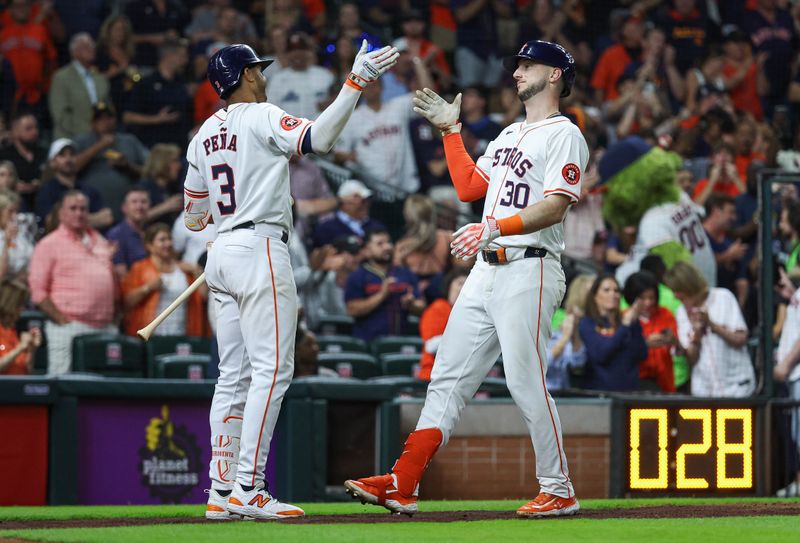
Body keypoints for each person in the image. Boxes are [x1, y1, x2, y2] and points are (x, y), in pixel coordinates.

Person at [345, 40, 588, 517]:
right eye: (516, 65)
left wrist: (496, 226)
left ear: (555, 74)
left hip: (531, 263)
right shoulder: (507, 134)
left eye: (527, 64)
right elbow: (470, 187)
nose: (517, 72)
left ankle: (558, 488)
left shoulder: (565, 133)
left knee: (525, 381)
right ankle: (402, 481)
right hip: (487, 267)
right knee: (446, 380)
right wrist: (451, 131)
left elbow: (557, 203)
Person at [183, 42, 398, 520]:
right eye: (257, 69)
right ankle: (249, 487)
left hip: (222, 252)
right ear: (245, 76)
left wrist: (229, 214)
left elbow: (195, 218)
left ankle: (221, 491)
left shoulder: (201, 136)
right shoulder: (260, 116)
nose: (263, 75)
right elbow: (319, 141)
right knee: (273, 371)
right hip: (259, 247)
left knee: (232, 377)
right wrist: (355, 82)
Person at [28, 191, 117, 375]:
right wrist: (61, 320)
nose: (79, 213)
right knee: (62, 382)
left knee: (105, 387)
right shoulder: (48, 244)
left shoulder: (100, 241)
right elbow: (38, 292)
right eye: (73, 208)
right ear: (61, 213)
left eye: (83, 209)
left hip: (104, 326)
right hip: (68, 326)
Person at [664, 261, 755, 397]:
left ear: (689, 286)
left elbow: (740, 339)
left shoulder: (723, 297)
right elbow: (692, 360)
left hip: (736, 387)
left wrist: (711, 325)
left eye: (678, 291)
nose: (675, 296)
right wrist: (696, 335)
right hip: (704, 391)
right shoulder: (681, 312)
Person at [121, 223, 206, 338]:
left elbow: (203, 297)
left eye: (170, 239)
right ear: (149, 246)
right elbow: (126, 302)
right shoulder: (139, 269)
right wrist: (147, 288)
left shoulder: (185, 270)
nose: (168, 243)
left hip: (181, 334)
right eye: (162, 240)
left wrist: (197, 271)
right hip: (150, 336)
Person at [344, 228, 425, 342]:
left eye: (388, 242)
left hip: (399, 342)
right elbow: (352, 309)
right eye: (380, 244)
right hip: (367, 343)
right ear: (367, 250)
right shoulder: (358, 276)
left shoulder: (405, 273)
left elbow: (422, 307)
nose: (387, 247)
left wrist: (411, 304)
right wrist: (382, 294)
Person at [73, 101, 149, 224]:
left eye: (109, 118)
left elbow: (150, 171)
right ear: (92, 123)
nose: (105, 123)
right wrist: (99, 146)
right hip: (93, 210)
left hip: (127, 209)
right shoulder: (82, 141)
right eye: (100, 119)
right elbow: (72, 166)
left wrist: (127, 166)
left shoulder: (129, 141)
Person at [579, 273, 648, 392]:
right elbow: (601, 354)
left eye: (616, 291)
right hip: (600, 396)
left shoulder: (627, 321)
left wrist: (635, 323)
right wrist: (624, 327)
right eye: (606, 290)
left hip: (630, 394)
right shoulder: (588, 323)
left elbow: (641, 354)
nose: (613, 294)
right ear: (595, 296)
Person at [623, 271, 678, 393]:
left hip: (665, 383)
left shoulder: (666, 314)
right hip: (636, 383)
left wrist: (673, 341)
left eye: (651, 298)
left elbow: (677, 348)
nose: (648, 303)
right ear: (632, 297)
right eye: (642, 298)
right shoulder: (624, 318)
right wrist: (645, 343)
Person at [48, 32, 111, 140]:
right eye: (86, 46)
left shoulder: (101, 79)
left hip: (101, 137)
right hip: (70, 138)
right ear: (74, 52)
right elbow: (60, 114)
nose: (92, 49)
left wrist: (106, 126)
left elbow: (109, 109)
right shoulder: (61, 77)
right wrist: (90, 130)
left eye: (92, 45)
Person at [417, 268, 470, 381]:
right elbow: (431, 346)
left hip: (461, 375)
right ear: (449, 286)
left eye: (468, 283)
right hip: (434, 375)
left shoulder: (472, 312)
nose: (464, 287)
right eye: (460, 283)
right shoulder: (439, 307)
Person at [546, 273, 593, 391]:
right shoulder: (558, 317)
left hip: (564, 391)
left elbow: (577, 362)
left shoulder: (589, 323)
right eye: (591, 292)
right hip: (544, 390)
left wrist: (573, 334)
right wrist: (565, 337)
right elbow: (544, 362)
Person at [106, 186, 151, 280]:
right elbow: (122, 276)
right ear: (124, 208)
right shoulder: (117, 235)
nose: (139, 206)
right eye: (134, 202)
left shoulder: (151, 232)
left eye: (143, 202)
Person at [0, 278, 41, 375]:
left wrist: (31, 350)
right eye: (20, 305)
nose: (22, 310)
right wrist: (20, 348)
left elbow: (28, 371)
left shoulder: (13, 330)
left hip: (18, 387)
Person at [0, 190, 34, 281]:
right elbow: (1, 273)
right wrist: (6, 242)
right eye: (10, 211)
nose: (15, 216)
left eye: (17, 211)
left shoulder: (21, 232)